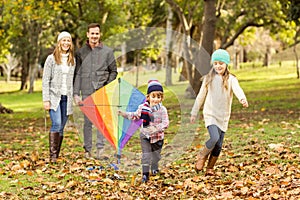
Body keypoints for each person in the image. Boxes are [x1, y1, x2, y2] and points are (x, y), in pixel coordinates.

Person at [190, 49, 248, 175]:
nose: (218, 66)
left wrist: (242, 98)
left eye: (221, 63)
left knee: (219, 144)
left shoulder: (231, 79)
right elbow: (201, 96)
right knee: (214, 137)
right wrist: (194, 112)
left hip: (223, 116)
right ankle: (202, 156)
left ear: (226, 64)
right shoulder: (208, 79)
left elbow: (237, 89)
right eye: (215, 63)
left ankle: (210, 168)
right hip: (210, 114)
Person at [73, 23, 118, 159]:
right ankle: (87, 150)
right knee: (87, 122)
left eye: (96, 33)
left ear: (100, 35)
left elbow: (114, 71)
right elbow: (78, 74)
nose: (94, 36)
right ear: (87, 34)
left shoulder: (108, 52)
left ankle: (100, 149)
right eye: (92, 33)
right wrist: (76, 94)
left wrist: (106, 86)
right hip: (86, 92)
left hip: (101, 92)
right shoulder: (80, 53)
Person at [118, 79, 169, 183]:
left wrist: (156, 128)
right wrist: (124, 114)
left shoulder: (162, 110)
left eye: (158, 97)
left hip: (158, 137)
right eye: (153, 96)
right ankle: (145, 175)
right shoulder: (143, 108)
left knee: (156, 156)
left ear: (161, 98)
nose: (155, 99)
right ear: (148, 97)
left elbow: (166, 123)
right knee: (146, 155)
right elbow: (135, 116)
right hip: (145, 135)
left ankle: (154, 167)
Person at [42, 31, 76, 163]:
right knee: (56, 123)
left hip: (66, 98)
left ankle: (57, 153)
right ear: (59, 42)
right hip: (54, 97)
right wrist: (46, 99)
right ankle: (53, 156)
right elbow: (45, 80)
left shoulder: (72, 60)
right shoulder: (51, 59)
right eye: (64, 40)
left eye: (68, 40)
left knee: (61, 126)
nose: (66, 43)